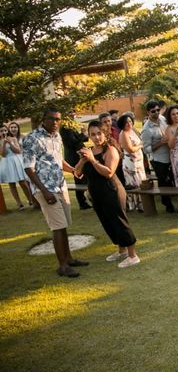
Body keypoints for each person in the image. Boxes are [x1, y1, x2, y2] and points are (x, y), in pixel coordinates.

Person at [23, 107, 89, 278]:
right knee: (58, 227)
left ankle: (69, 258)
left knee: (64, 225)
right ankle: (62, 266)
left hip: (61, 186)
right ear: (43, 119)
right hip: (46, 189)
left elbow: (58, 161)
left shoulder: (57, 136)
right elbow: (28, 168)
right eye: (51, 119)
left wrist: (74, 169)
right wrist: (44, 191)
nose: (55, 122)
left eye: (57, 119)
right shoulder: (32, 138)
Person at [75, 121, 140, 268]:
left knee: (119, 221)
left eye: (99, 133)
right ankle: (121, 251)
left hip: (112, 191)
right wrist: (83, 160)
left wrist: (92, 160)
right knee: (108, 223)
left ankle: (133, 255)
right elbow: (77, 173)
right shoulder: (90, 150)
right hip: (96, 193)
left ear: (105, 133)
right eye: (93, 134)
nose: (97, 137)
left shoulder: (110, 150)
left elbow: (108, 172)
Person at [141, 101, 176, 213]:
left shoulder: (163, 119)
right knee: (163, 182)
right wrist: (161, 142)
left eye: (157, 110)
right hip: (159, 160)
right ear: (148, 112)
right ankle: (167, 205)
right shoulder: (146, 129)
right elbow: (146, 149)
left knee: (172, 180)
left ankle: (175, 201)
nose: (156, 112)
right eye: (153, 111)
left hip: (171, 155)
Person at [59, 116, 92, 210]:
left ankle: (85, 201)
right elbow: (72, 142)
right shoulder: (64, 128)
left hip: (79, 156)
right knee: (79, 180)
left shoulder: (71, 126)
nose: (73, 115)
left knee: (83, 179)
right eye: (70, 113)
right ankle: (82, 203)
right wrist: (82, 133)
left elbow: (83, 139)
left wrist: (84, 134)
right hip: (74, 158)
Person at [0, 122, 34, 210]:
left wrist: (10, 143)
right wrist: (3, 144)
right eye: (1, 131)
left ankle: (30, 200)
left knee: (23, 182)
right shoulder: (0, 141)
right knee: (11, 183)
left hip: (16, 160)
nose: (3, 132)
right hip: (7, 162)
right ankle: (19, 203)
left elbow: (18, 151)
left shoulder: (13, 138)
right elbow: (3, 154)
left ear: (7, 131)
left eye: (5, 130)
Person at [118, 114, 147, 211]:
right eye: (126, 122)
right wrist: (140, 146)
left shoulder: (133, 131)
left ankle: (142, 203)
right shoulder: (123, 134)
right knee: (133, 182)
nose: (129, 124)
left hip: (139, 161)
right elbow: (129, 149)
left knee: (141, 181)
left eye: (130, 121)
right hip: (130, 163)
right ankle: (133, 205)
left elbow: (140, 139)